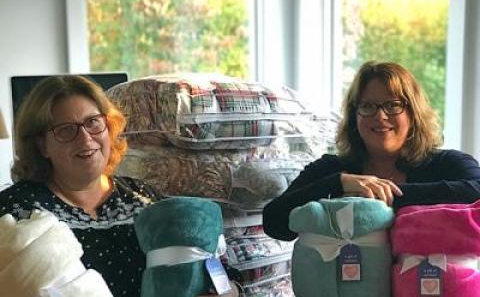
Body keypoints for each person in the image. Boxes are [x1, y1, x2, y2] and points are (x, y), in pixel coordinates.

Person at [0, 75, 238, 297]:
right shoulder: (16, 210)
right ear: (42, 146)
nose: (85, 138)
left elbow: (219, 270)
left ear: (109, 126)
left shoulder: (143, 198)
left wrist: (226, 290)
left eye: (93, 122)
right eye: (66, 130)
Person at [263, 61, 480, 241]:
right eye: (367, 106)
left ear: (413, 114)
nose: (380, 116)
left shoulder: (449, 164)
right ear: (354, 116)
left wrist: (382, 198)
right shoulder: (331, 170)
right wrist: (338, 184)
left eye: (393, 105)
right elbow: (274, 222)